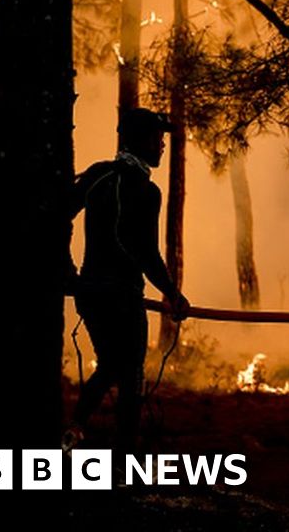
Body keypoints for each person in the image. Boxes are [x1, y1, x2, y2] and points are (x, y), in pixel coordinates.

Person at [63, 107, 190, 455]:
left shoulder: (97, 175)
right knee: (131, 375)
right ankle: (124, 461)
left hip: (89, 293)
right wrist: (172, 293)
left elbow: (58, 217)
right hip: (122, 296)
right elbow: (146, 251)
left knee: (110, 365)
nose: (162, 146)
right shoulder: (146, 191)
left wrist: (69, 273)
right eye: (157, 138)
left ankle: (73, 432)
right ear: (140, 140)